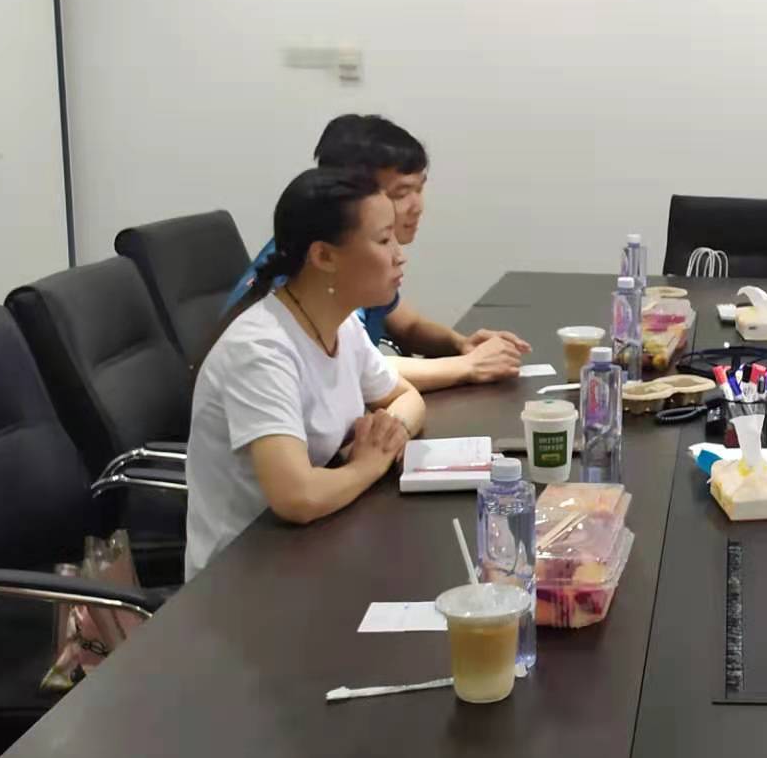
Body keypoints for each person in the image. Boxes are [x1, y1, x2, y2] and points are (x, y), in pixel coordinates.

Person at [186, 166, 428, 579]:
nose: (399, 254)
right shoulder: (261, 350)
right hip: (243, 577)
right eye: (383, 240)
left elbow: (407, 397)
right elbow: (296, 497)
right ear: (324, 256)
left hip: (313, 544)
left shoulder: (341, 324)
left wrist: (390, 432)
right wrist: (368, 464)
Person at [225, 114, 528, 391]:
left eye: (420, 188)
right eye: (402, 193)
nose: (417, 206)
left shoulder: (357, 258)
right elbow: (362, 370)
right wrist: (467, 366)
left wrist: (461, 344)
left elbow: (407, 325)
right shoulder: (319, 267)